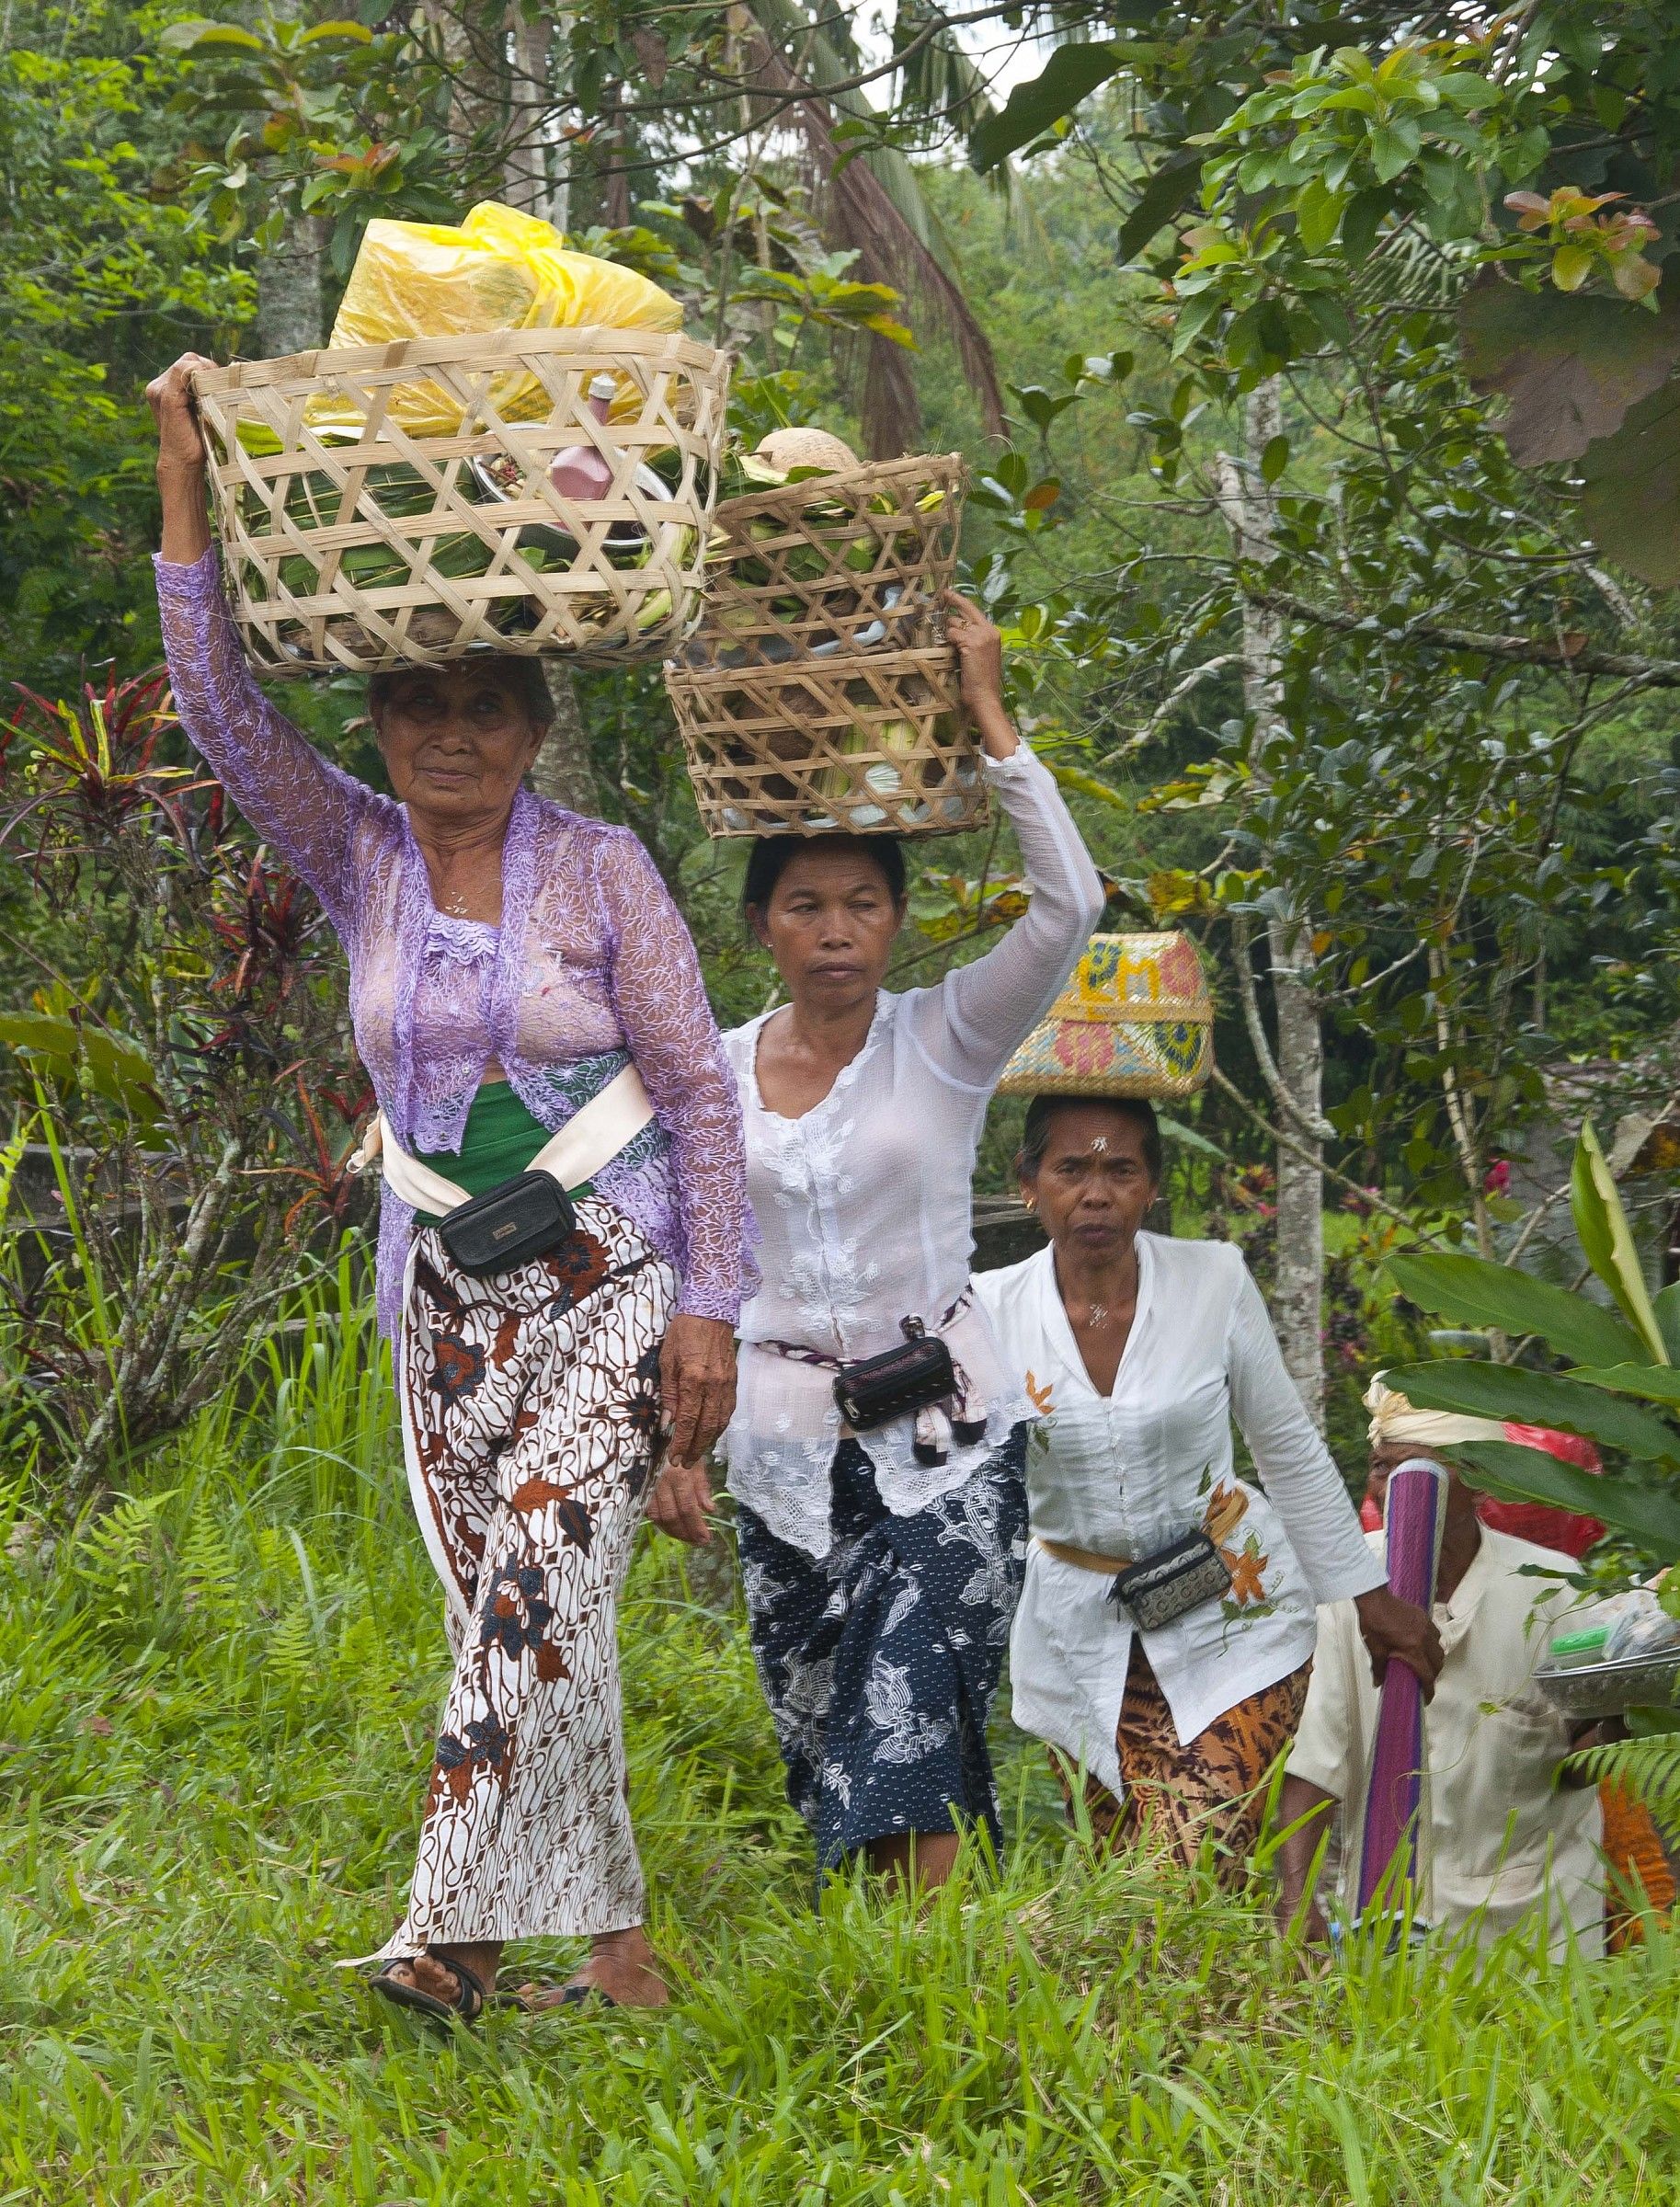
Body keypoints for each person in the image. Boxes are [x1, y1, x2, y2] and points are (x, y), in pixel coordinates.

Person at [148, 355, 754, 2018]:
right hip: (441, 1289)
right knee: (526, 1604)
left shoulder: (604, 869)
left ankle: (454, 1933)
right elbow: (217, 711)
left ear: (535, 728)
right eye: (419, 706)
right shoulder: (357, 855)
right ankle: (618, 1957)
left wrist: (710, 1305)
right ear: (379, 727)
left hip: (609, 1265)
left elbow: (700, 1095)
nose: (451, 734)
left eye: (485, 705)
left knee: (543, 1562)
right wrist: (184, 479)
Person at [649, 596, 1103, 1890]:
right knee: (827, 1747)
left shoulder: (947, 1038)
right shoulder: (707, 1075)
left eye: (862, 902)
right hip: (783, 1452)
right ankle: (908, 1967)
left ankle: (927, 1967)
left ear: (897, 919)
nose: (836, 928)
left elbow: (1069, 906)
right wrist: (670, 1449)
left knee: (910, 1711)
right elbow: (683, 1268)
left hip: (943, 1439)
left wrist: (989, 714)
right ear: (763, 928)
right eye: (805, 905)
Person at [973, 1096, 1441, 1879]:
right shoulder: (985, 1312)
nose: (1096, 1194)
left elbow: (1285, 1447)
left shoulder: (1212, 1280)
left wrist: (1370, 1601)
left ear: (1152, 1184)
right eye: (1071, 1169)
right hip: (1080, 1640)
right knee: (1132, 1886)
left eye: (1121, 1170)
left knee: (1186, 1864)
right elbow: (949, 1479)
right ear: (1028, 1183)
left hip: (1235, 1612)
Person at [1276, 1379, 1669, 1956]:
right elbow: (1316, 1760)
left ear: (1480, 1481)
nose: (1394, 1489)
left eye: (1421, 1472)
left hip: (1539, 1922)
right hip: (1389, 1915)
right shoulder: (1348, 1587)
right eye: (1382, 1468)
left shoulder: (1552, 1587)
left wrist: (1620, 1709)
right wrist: (1295, 1899)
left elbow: (1580, 1762)